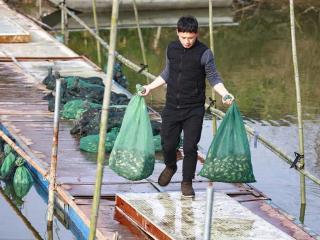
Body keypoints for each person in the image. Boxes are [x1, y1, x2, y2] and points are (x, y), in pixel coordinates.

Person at [141, 16, 234, 197]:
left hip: (194, 109)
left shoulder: (205, 52)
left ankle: (187, 181)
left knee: (191, 146)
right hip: (172, 106)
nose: (187, 41)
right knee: (167, 143)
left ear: (196, 34)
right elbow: (166, 73)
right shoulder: (172, 48)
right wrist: (149, 87)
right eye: (183, 37)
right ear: (178, 33)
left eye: (190, 37)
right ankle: (170, 166)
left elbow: (214, 78)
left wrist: (225, 94)